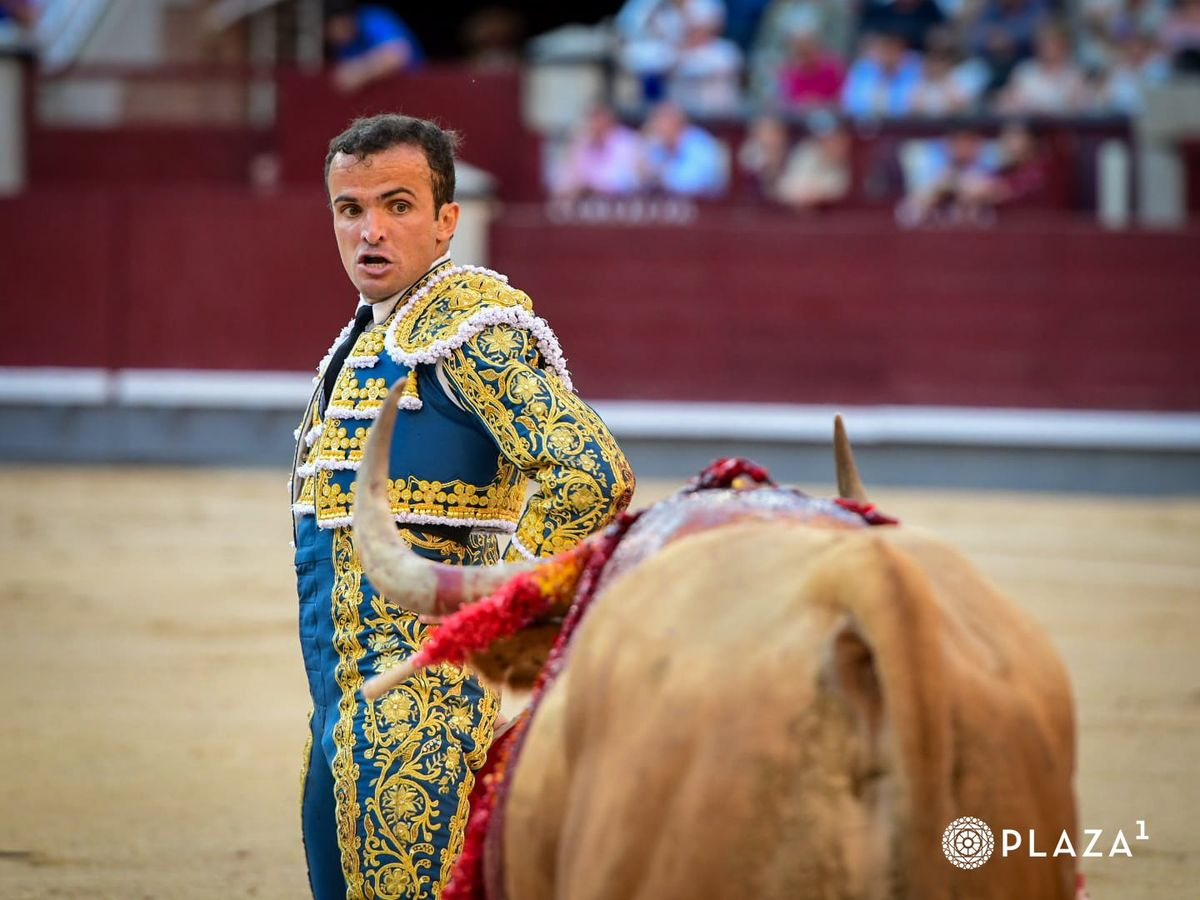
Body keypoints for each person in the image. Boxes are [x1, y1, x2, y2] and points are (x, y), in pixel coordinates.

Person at [291, 114, 634, 899]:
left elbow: (592, 472)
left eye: (399, 205)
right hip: (346, 700)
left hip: (425, 704)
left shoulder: (465, 326)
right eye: (351, 209)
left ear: (448, 220)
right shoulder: (374, 334)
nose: (371, 230)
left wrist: (499, 604)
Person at [325, 2, 423, 92]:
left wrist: (360, 72)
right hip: (376, 99)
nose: (333, 35)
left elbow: (399, 52)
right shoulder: (342, 45)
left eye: (336, 27)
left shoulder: (371, 18)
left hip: (413, 87)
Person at [638, 100, 729, 196]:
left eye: (661, 124)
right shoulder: (657, 146)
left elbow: (693, 184)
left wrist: (661, 174)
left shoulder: (699, 143)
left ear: (676, 123)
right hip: (669, 205)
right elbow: (639, 181)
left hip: (706, 206)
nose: (657, 129)